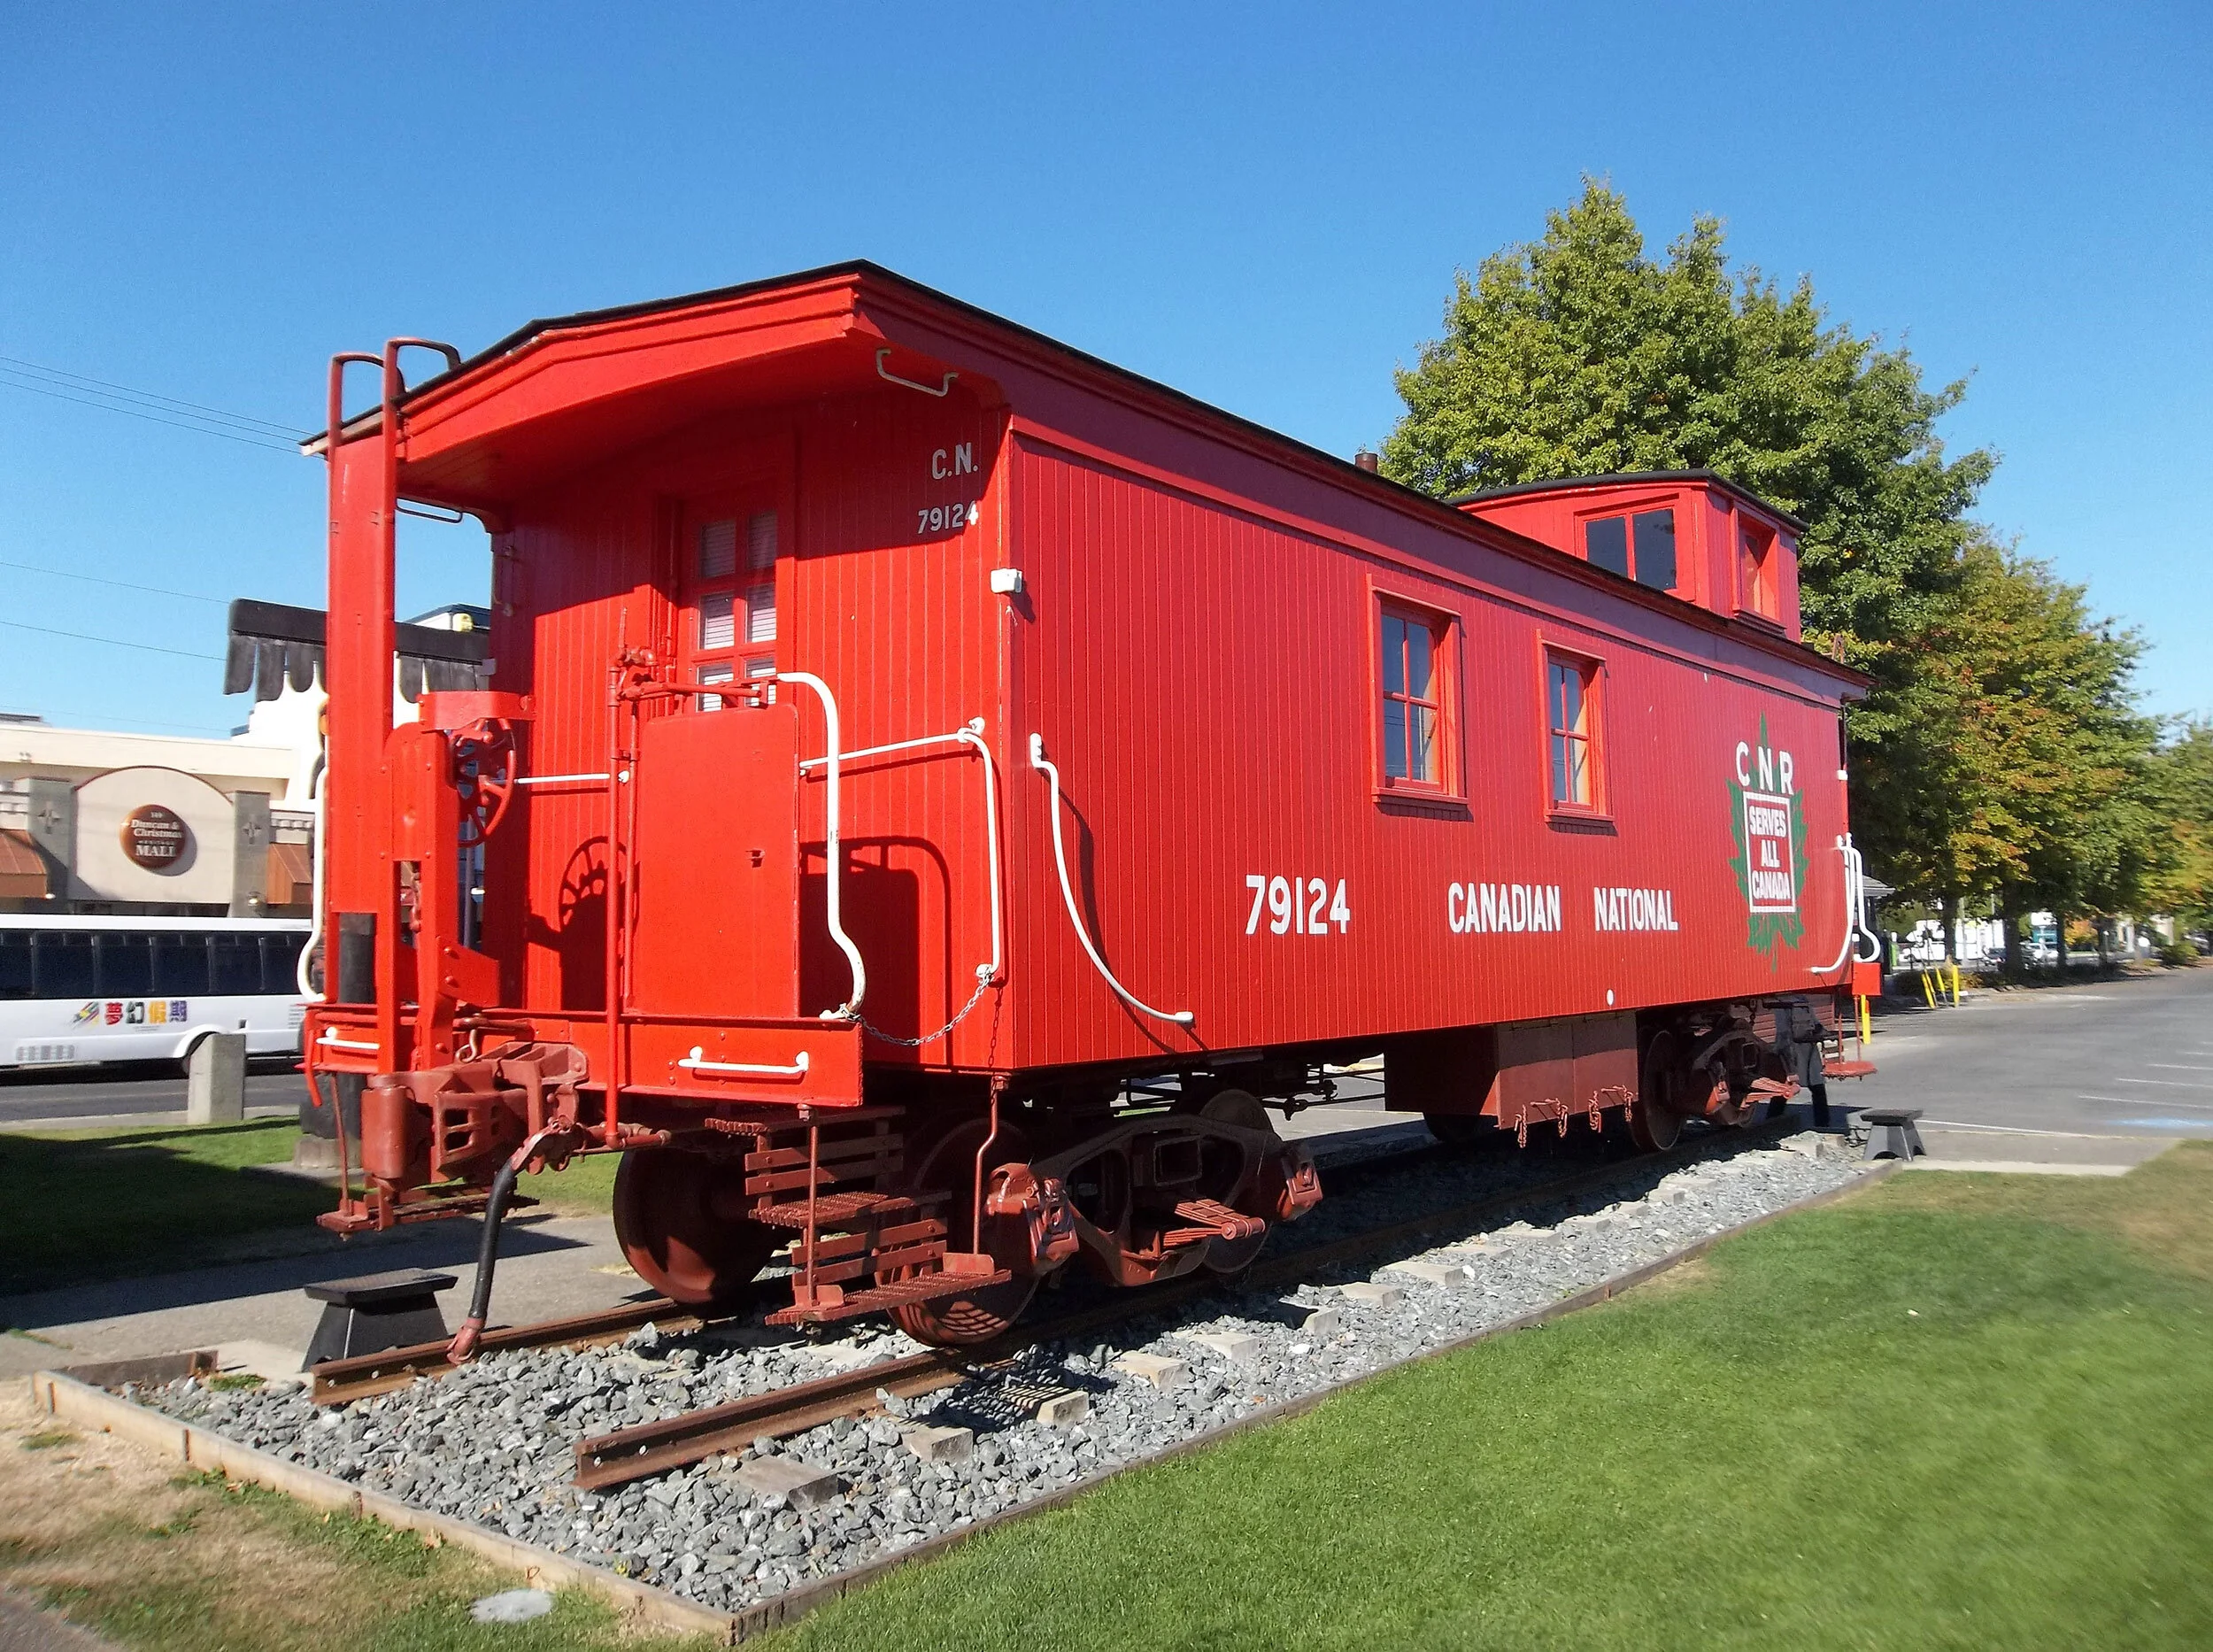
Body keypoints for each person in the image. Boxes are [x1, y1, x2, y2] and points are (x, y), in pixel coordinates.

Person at [1766, 996, 1832, 1129]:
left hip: (1796, 1048)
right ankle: (1823, 1124)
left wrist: (1778, 1049)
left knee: (1784, 1086)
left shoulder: (1782, 1002)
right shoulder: (1802, 1000)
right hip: (1805, 1048)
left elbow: (1782, 1030)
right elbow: (1815, 1023)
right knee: (1816, 1087)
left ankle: (1772, 1121)